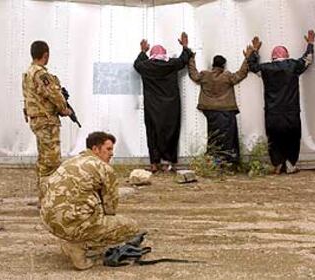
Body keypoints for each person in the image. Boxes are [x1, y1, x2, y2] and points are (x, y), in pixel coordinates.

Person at [40, 132, 141, 270]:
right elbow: (110, 208)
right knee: (131, 227)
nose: (112, 153)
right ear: (95, 149)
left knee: (83, 212)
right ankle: (79, 245)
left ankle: (69, 239)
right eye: (108, 149)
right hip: (70, 223)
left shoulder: (71, 161)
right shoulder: (104, 168)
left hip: (48, 221)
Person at [248, 30, 315, 174]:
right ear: (286, 55)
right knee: (292, 137)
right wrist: (310, 44)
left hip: (272, 112)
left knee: (274, 138)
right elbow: (308, 59)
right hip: (291, 111)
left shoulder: (266, 69)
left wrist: (254, 51)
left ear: (273, 57)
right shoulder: (293, 66)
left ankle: (277, 163)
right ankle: (290, 164)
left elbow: (252, 66)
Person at [134, 32, 192, 173]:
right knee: (171, 132)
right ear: (164, 54)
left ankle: (154, 163)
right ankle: (169, 162)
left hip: (152, 105)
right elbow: (184, 59)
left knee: (152, 132)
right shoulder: (171, 64)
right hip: (171, 105)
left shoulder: (146, 66)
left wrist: (142, 52)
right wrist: (185, 46)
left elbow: (137, 65)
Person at [22, 41, 71, 205]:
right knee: (51, 162)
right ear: (46, 54)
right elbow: (53, 94)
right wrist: (64, 108)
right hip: (46, 121)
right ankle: (49, 202)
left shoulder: (28, 72)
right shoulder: (41, 74)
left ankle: (44, 199)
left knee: (44, 161)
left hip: (38, 120)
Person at [188, 46, 253, 167]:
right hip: (226, 111)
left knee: (214, 136)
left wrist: (191, 59)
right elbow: (241, 74)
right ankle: (227, 162)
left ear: (213, 64)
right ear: (223, 65)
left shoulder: (204, 75)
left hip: (209, 111)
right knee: (228, 138)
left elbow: (193, 75)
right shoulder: (227, 76)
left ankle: (214, 161)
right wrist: (247, 58)